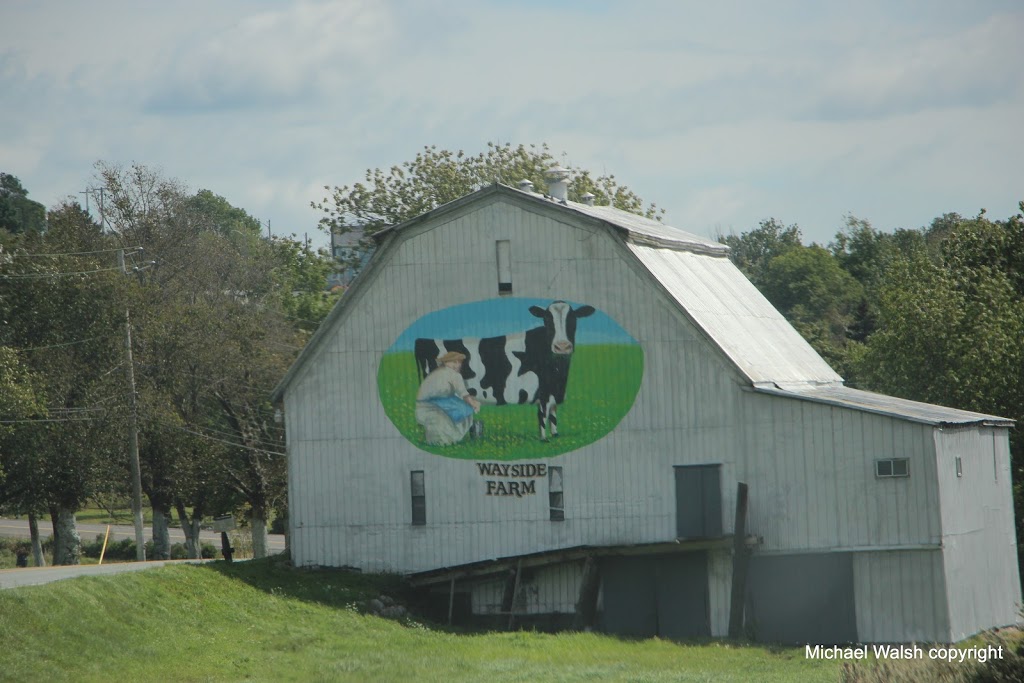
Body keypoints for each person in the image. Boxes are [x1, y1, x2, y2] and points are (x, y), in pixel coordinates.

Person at [415, 351, 481, 445]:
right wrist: (474, 404)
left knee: (461, 408)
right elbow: (464, 394)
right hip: (433, 403)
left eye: (459, 362)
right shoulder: (454, 375)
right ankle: (455, 436)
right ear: (445, 362)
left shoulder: (436, 372)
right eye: (454, 362)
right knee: (466, 409)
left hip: (424, 404)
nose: (457, 365)